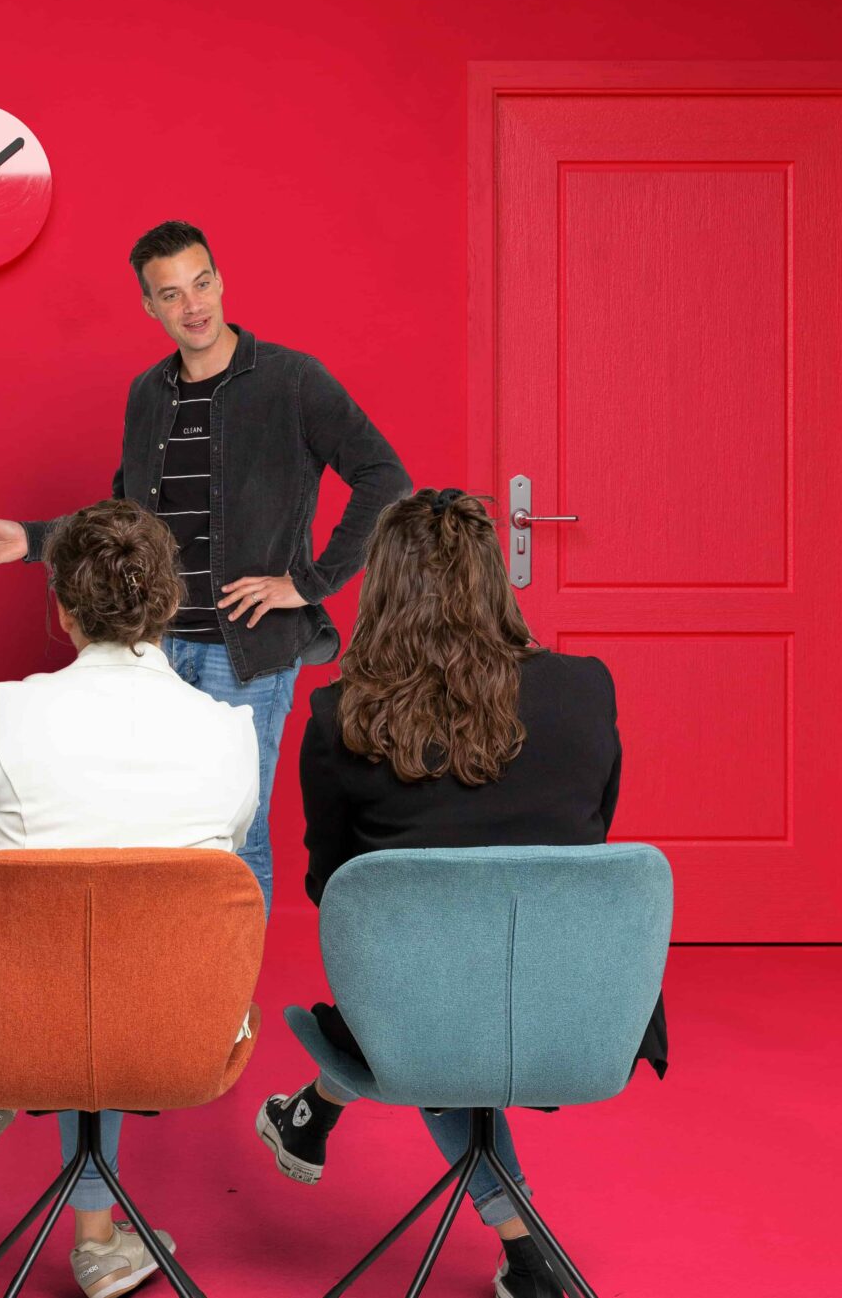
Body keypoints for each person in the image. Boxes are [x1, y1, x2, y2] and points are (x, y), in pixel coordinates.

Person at [251, 489, 667, 1298]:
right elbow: (589, 840)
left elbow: (335, 892)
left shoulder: (340, 715)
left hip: (422, 1014)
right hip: (584, 1005)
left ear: (384, 586)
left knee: (428, 972)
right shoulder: (587, 687)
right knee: (443, 960)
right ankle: (318, 1116)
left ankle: (525, 1245)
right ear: (492, 579)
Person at [0, 219, 410, 911]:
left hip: (245, 654)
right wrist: (32, 540)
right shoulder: (148, 394)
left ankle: (227, 980)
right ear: (149, 306)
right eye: (171, 294)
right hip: (149, 646)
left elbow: (384, 477)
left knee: (237, 839)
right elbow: (126, 518)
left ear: (220, 282)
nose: (192, 305)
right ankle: (160, 972)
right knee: (145, 831)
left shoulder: (292, 380)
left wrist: (308, 584)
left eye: (201, 283)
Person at [0, 500, 258, 1298]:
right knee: (127, 946)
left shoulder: (5, 712)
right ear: (170, 604)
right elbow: (216, 879)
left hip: (18, 1026)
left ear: (63, 610)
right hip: (179, 1033)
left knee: (72, 953)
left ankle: (27, 1118)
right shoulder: (229, 729)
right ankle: (98, 1238)